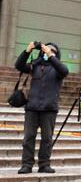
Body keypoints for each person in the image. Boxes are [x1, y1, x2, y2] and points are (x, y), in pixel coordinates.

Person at [15, 42, 68, 174]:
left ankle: (44, 164)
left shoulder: (58, 69)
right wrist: (28, 50)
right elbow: (19, 65)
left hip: (49, 108)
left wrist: (51, 55)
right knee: (28, 137)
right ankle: (27, 164)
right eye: (45, 51)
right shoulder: (35, 66)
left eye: (52, 51)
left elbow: (64, 71)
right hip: (32, 107)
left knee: (47, 138)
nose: (48, 53)